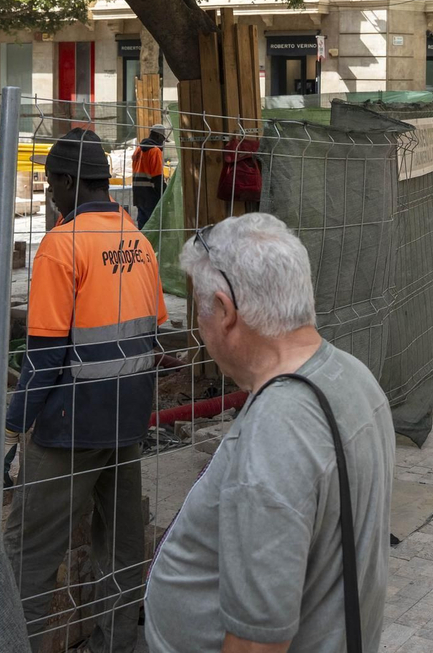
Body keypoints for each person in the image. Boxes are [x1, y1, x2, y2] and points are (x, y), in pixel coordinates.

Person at [147, 213, 394, 653]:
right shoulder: (350, 374)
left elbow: (256, 644)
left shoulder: (275, 432)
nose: (199, 330)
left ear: (224, 312)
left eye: (199, 311)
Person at [4, 129, 165, 653]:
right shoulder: (138, 243)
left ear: (70, 182)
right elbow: (151, 333)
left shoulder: (61, 244)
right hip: (127, 420)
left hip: (71, 426)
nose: (50, 194)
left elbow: (45, 355)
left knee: (26, 554)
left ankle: (9, 644)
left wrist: (13, 425)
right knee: (120, 553)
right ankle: (113, 646)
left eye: (52, 184)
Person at [130, 125, 167, 229]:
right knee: (155, 227)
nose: (162, 144)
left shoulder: (138, 150)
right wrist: (166, 195)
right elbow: (157, 178)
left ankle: (143, 245)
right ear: (159, 136)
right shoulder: (155, 151)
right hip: (151, 196)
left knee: (143, 227)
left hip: (139, 195)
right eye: (163, 140)